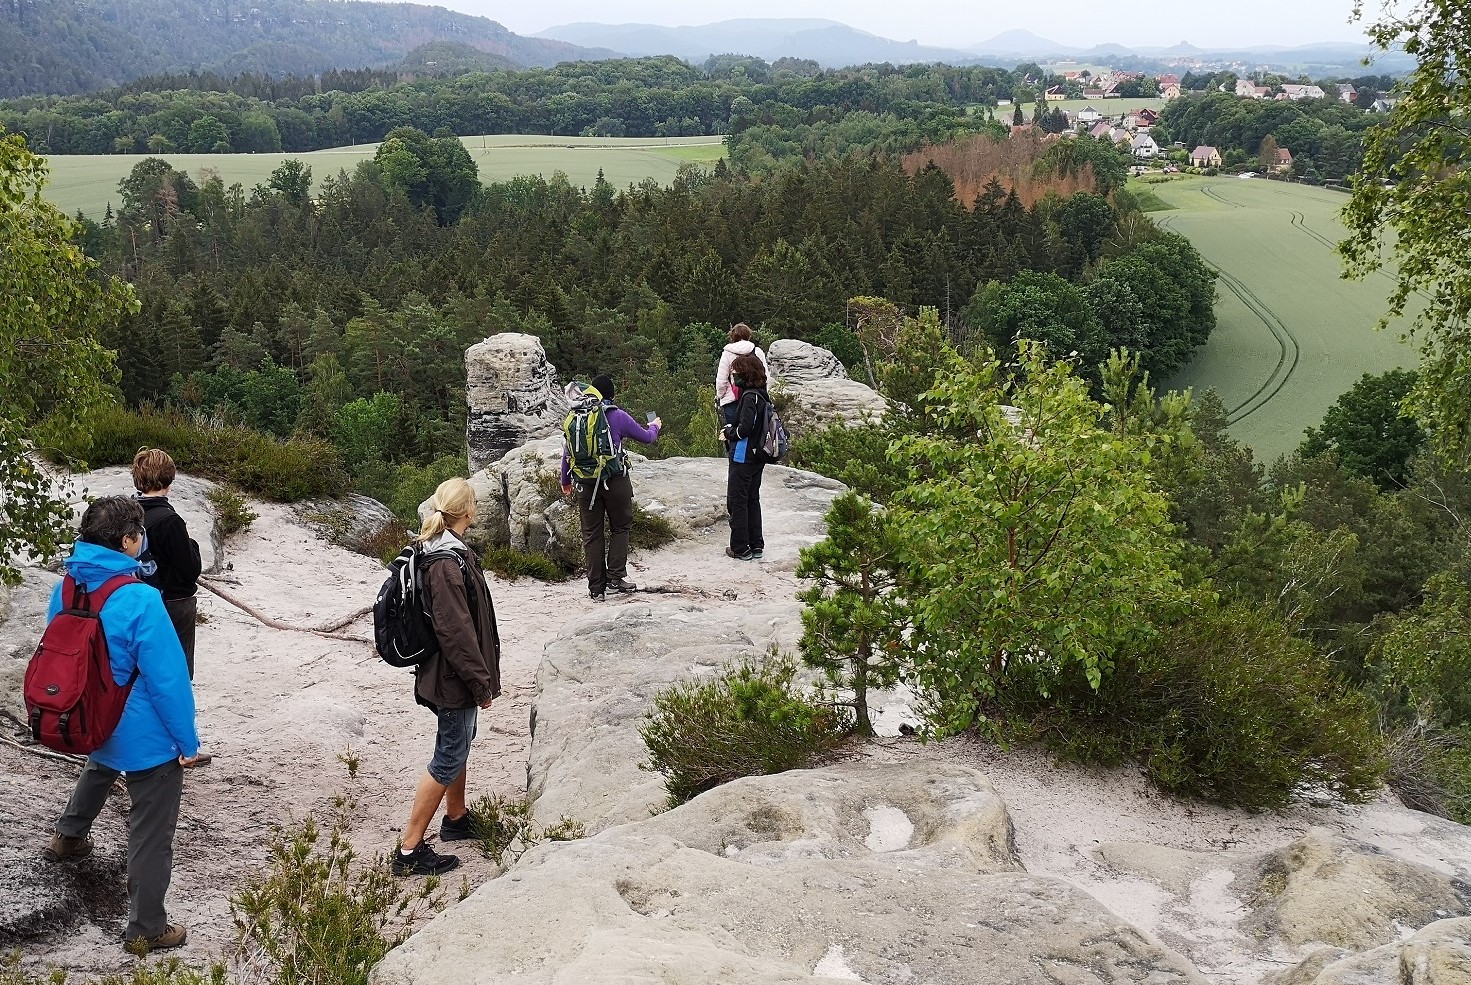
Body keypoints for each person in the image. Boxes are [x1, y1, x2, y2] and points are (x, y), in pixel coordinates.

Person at [45, 496, 201, 951]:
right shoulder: (141, 599)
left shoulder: (67, 587)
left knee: (99, 764)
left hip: (89, 716)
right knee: (152, 830)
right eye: (139, 534)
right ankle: (147, 927)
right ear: (130, 541)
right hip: (143, 733)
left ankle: (68, 836)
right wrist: (186, 741)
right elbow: (168, 680)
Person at [393, 477, 502, 878]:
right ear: (469, 512)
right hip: (451, 677)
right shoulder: (445, 563)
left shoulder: (444, 552)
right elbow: (455, 634)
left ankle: (456, 818)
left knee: (460, 742)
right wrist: (480, 682)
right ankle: (408, 849)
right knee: (449, 753)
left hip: (448, 674)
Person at [132, 448, 210, 767]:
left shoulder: (130, 513)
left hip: (139, 602)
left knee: (142, 673)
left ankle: (141, 740)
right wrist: (190, 542)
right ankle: (181, 747)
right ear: (170, 479)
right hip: (174, 604)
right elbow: (190, 568)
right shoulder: (169, 519)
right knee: (177, 676)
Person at [559, 373, 661, 601]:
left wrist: (565, 480)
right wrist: (655, 426)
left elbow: (568, 452)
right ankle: (615, 577)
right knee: (620, 526)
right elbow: (647, 438)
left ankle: (596, 589)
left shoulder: (576, 417)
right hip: (614, 480)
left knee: (592, 535)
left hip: (585, 483)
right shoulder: (616, 416)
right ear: (612, 395)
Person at [723, 353, 771, 562]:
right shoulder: (762, 394)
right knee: (752, 499)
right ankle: (756, 544)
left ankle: (740, 548)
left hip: (743, 455)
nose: (734, 377)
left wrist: (729, 433)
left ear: (746, 374)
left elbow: (745, 429)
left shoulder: (749, 396)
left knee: (737, 501)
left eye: (736, 373)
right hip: (757, 456)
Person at [715, 323, 770, 430]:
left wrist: (720, 396)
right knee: (755, 433)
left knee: (734, 433)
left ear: (732, 337)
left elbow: (721, 380)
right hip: (755, 397)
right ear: (748, 335)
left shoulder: (727, 353)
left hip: (733, 399)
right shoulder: (757, 351)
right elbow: (765, 376)